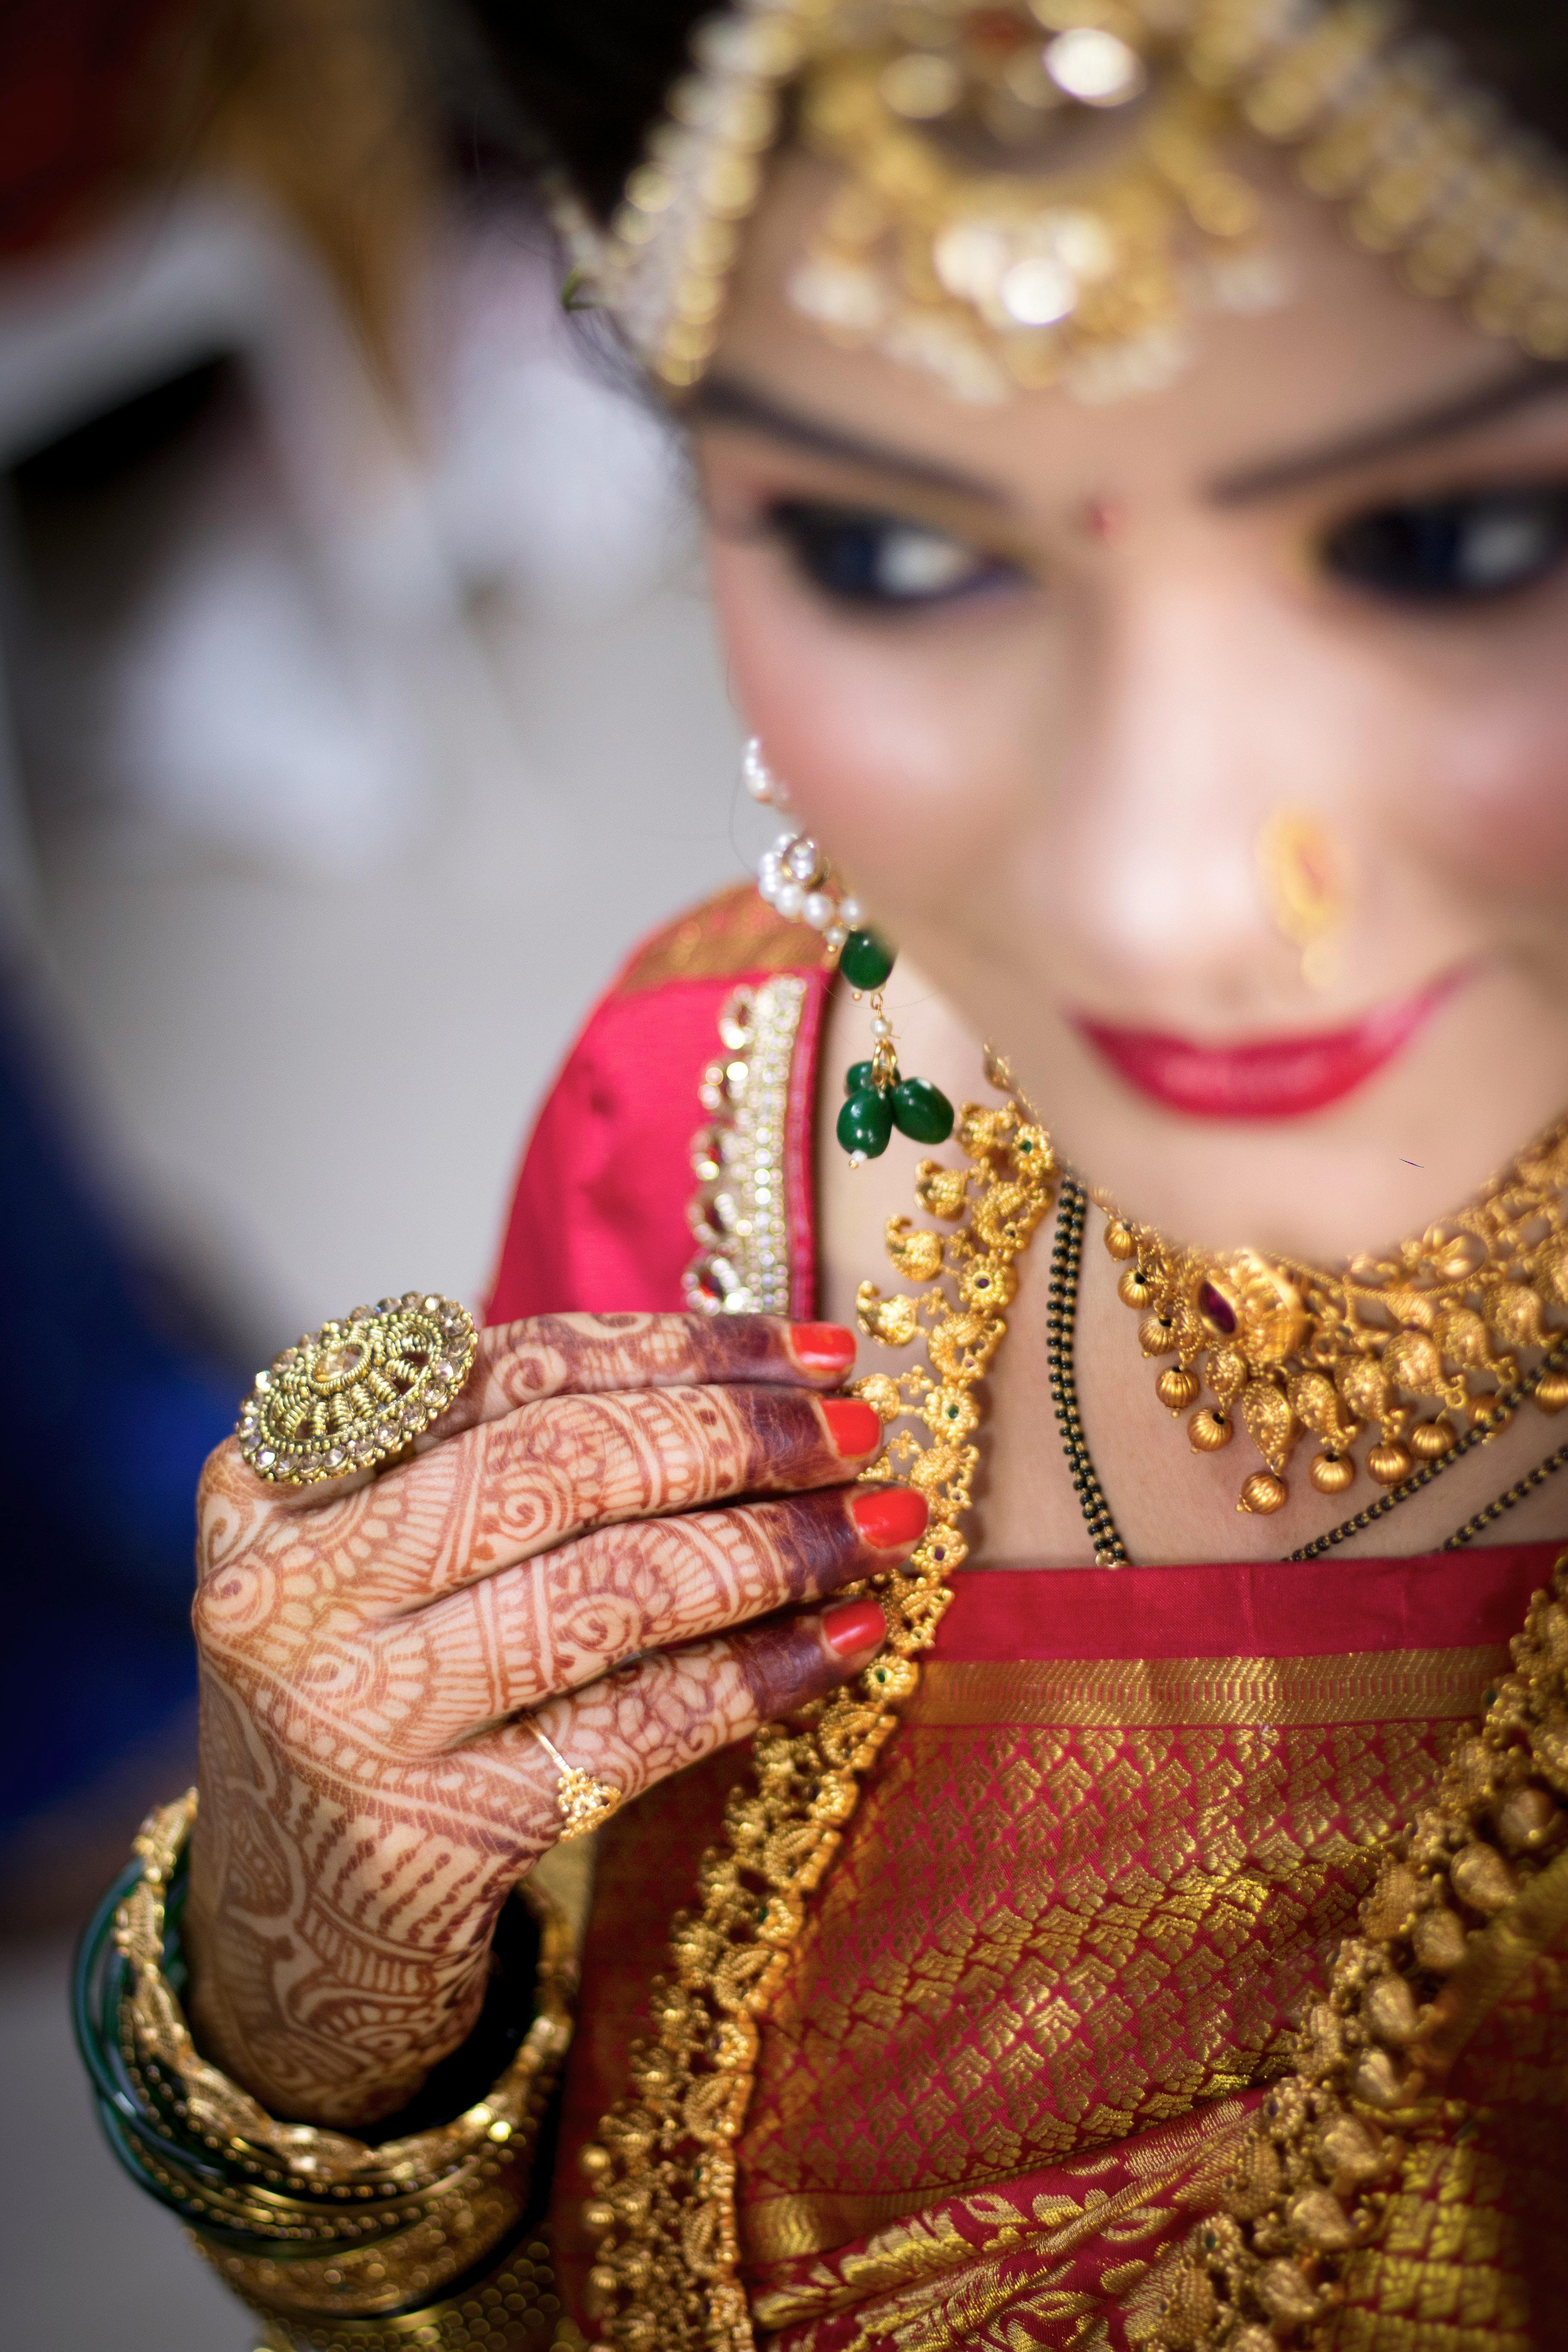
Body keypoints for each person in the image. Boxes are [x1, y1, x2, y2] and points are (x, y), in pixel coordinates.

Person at [76, 4, 1568, 2347]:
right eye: (890, 539)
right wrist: (320, 2008)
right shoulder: (714, 1111)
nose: (1160, 886)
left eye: (1445, 537)